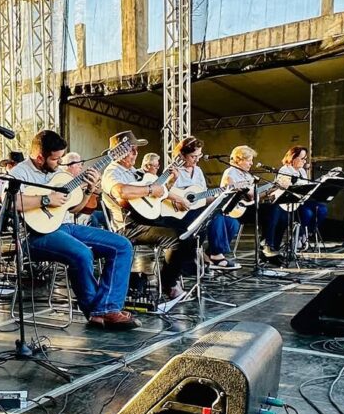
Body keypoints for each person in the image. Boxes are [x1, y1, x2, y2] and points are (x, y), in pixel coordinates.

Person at [10, 130, 139, 330]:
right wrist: (46, 199)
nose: (60, 163)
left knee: (122, 245)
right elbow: (11, 202)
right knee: (82, 253)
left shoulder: (58, 174)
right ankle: (101, 312)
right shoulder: (19, 173)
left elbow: (76, 208)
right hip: (34, 235)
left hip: (66, 227)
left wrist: (88, 189)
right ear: (40, 157)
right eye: (55, 159)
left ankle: (106, 308)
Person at [102, 131, 194, 306]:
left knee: (188, 228)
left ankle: (178, 272)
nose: (135, 153)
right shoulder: (112, 172)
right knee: (179, 238)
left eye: (136, 150)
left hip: (146, 219)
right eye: (131, 150)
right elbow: (122, 191)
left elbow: (156, 195)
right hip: (129, 226)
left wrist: (170, 181)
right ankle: (169, 284)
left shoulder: (134, 172)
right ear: (118, 152)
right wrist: (151, 189)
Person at [170, 136, 241, 270]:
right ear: (182, 155)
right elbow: (165, 191)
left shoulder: (198, 171)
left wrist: (219, 197)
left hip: (198, 209)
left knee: (232, 222)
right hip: (180, 212)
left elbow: (202, 196)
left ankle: (211, 253)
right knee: (215, 217)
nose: (197, 159)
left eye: (199, 155)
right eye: (193, 156)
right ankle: (217, 256)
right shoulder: (174, 170)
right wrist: (179, 199)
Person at [265, 146, 327, 252]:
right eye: (302, 158)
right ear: (293, 158)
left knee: (322, 209)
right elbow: (285, 187)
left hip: (302, 200)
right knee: (307, 213)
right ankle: (296, 238)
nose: (304, 161)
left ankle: (306, 234)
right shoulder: (285, 170)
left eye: (305, 159)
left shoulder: (302, 171)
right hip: (290, 202)